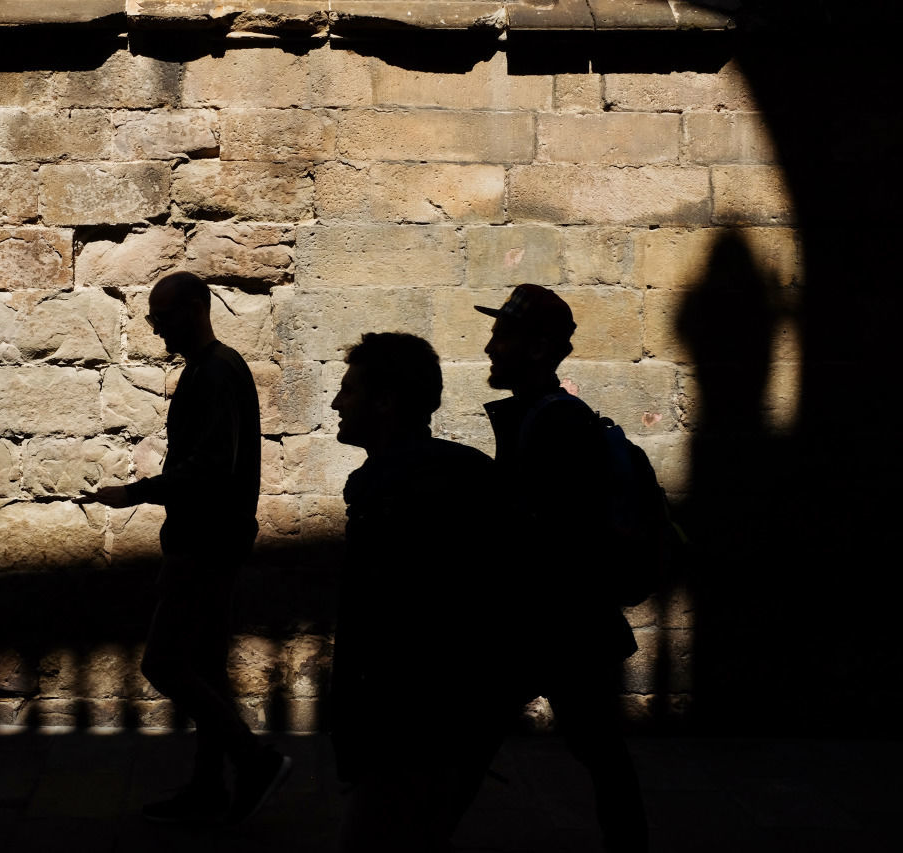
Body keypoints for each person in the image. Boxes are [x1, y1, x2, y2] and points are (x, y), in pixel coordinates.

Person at [78, 271, 290, 825]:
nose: (158, 330)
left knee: (165, 663)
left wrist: (138, 492)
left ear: (197, 309)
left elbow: (212, 468)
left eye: (164, 317)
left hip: (203, 545)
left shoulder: (216, 373)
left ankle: (254, 759)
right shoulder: (213, 369)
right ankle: (207, 788)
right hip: (215, 540)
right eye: (153, 319)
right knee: (207, 670)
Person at [330, 332, 526, 852]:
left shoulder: (386, 490)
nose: (335, 403)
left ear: (385, 402)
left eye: (348, 390)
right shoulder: (471, 470)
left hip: (413, 720)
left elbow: (371, 620)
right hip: (469, 714)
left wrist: (350, 719)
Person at [477, 283, 649, 853]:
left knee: (591, 747)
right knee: (597, 748)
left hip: (556, 626)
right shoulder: (538, 416)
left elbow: (562, 533)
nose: (490, 347)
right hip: (554, 625)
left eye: (503, 336)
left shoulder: (557, 423)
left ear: (537, 349)